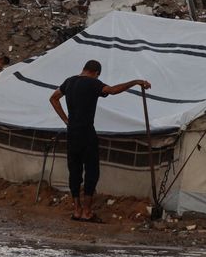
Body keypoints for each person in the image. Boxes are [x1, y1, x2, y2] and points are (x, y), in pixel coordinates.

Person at [49, 59, 150, 221]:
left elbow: (53, 98)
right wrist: (135, 82)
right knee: (91, 171)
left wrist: (66, 120)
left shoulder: (69, 82)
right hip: (87, 133)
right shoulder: (92, 83)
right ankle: (87, 212)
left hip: (72, 133)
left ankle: (76, 210)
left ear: (84, 69)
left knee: (74, 171)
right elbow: (112, 90)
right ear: (96, 73)